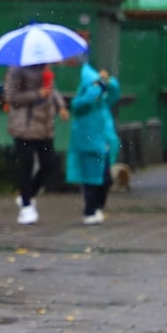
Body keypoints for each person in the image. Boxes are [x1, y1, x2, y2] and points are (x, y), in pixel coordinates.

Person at [3, 63, 69, 224]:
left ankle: (28, 195)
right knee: (26, 166)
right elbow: (12, 97)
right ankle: (26, 207)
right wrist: (37, 94)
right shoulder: (16, 69)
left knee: (49, 164)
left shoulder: (45, 69)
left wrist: (61, 106)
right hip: (24, 126)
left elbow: (52, 90)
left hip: (45, 126)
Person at [65, 57, 121, 225]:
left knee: (104, 179)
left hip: (102, 141)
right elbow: (79, 104)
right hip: (88, 141)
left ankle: (97, 207)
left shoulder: (101, 102)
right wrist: (96, 89)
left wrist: (109, 82)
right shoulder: (84, 101)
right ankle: (90, 210)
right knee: (91, 177)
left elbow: (114, 94)